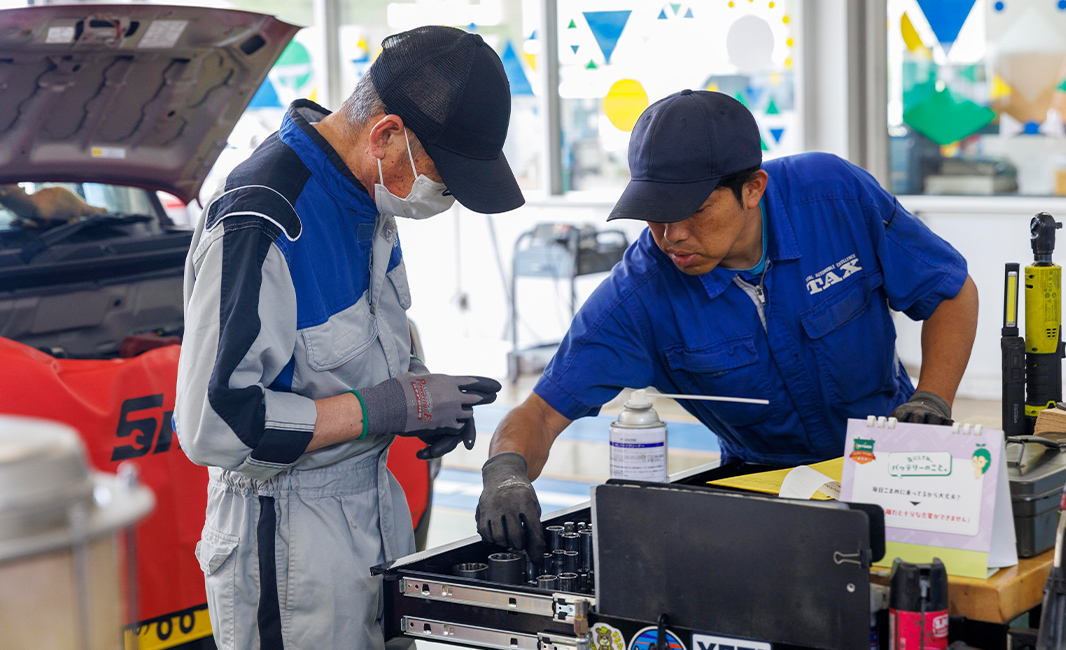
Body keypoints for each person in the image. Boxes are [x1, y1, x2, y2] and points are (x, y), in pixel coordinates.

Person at [476, 89, 978, 554]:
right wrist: (506, 472)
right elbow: (541, 413)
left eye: (693, 211)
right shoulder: (640, 295)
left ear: (752, 188)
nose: (671, 235)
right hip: (759, 491)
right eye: (654, 214)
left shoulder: (835, 198)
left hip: (892, 467)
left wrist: (932, 398)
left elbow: (950, 291)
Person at [175, 26, 519, 650]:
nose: (445, 197)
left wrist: (420, 396)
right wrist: (385, 407)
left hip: (370, 512)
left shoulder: (368, 198)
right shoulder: (265, 218)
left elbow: (368, 340)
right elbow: (214, 425)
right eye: (443, 178)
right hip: (286, 543)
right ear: (385, 134)